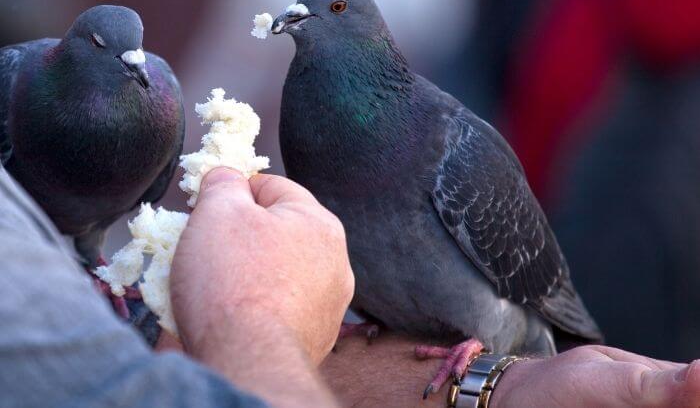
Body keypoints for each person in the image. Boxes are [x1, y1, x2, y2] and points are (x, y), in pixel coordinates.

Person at [1, 166, 699, 408]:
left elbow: (136, 384)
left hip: (509, 318)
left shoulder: (458, 156)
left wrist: (502, 389)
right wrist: (248, 316)